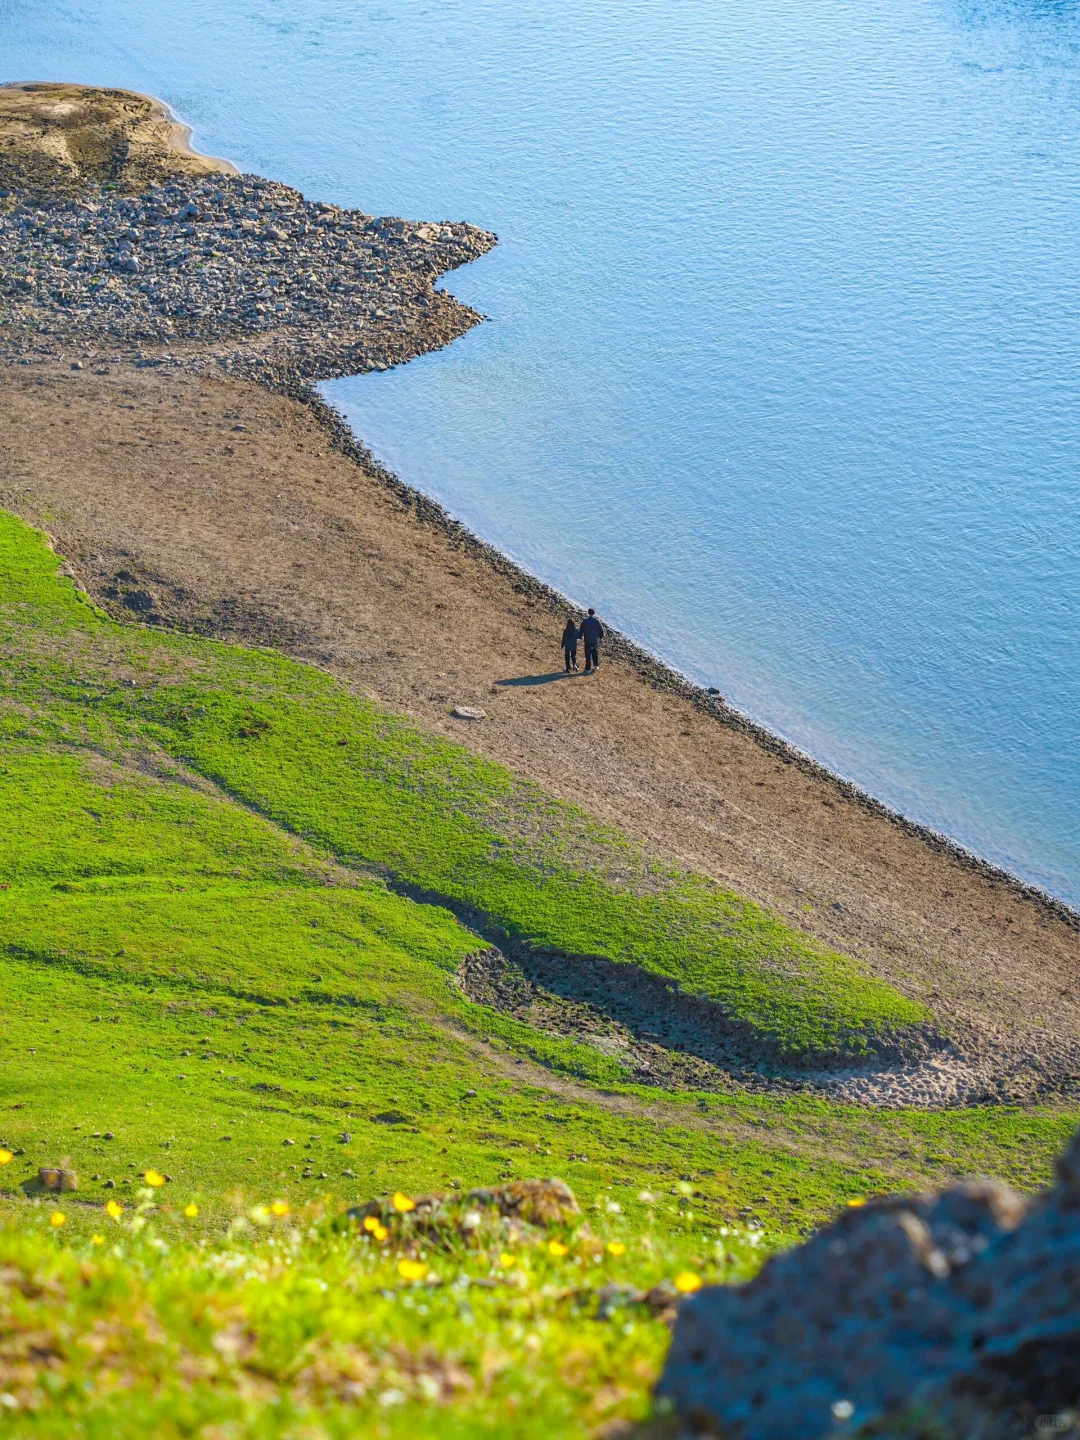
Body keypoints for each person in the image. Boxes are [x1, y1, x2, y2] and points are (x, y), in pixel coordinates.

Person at [580, 608, 604, 673]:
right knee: (595, 652)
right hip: (594, 640)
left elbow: (581, 629)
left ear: (588, 613)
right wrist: (601, 637)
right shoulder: (597, 621)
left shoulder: (585, 621)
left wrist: (580, 636)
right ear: (594, 613)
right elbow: (600, 630)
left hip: (587, 640)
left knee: (588, 654)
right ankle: (596, 665)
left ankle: (588, 669)